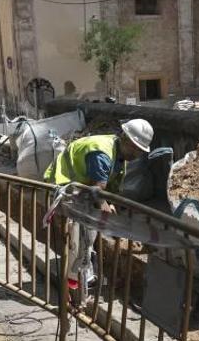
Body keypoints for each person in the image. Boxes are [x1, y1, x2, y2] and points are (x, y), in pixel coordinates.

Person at [44, 118, 154, 288]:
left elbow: (107, 192)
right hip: (64, 182)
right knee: (83, 232)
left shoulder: (118, 154)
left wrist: (110, 206)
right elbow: (98, 193)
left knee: (88, 232)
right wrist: (115, 226)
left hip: (83, 186)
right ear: (124, 138)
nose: (136, 154)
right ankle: (79, 278)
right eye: (134, 148)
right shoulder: (102, 153)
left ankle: (82, 272)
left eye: (140, 151)